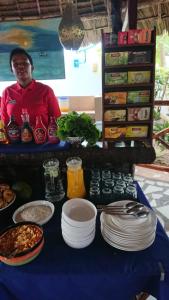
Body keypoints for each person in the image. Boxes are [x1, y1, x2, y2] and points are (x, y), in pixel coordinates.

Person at [1, 47, 61, 128]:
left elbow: (57, 121)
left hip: (44, 140)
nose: (20, 66)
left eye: (25, 63)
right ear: (12, 70)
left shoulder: (46, 91)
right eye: (15, 64)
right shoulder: (7, 92)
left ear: (32, 68)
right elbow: (4, 123)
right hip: (14, 140)